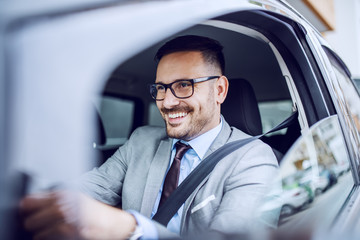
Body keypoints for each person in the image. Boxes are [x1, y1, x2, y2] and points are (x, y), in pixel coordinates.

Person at [20, 35, 279, 240]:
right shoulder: (142, 140)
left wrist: (131, 228)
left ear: (219, 90)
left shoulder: (253, 159)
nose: (166, 102)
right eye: (161, 88)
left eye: (184, 86)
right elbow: (92, 188)